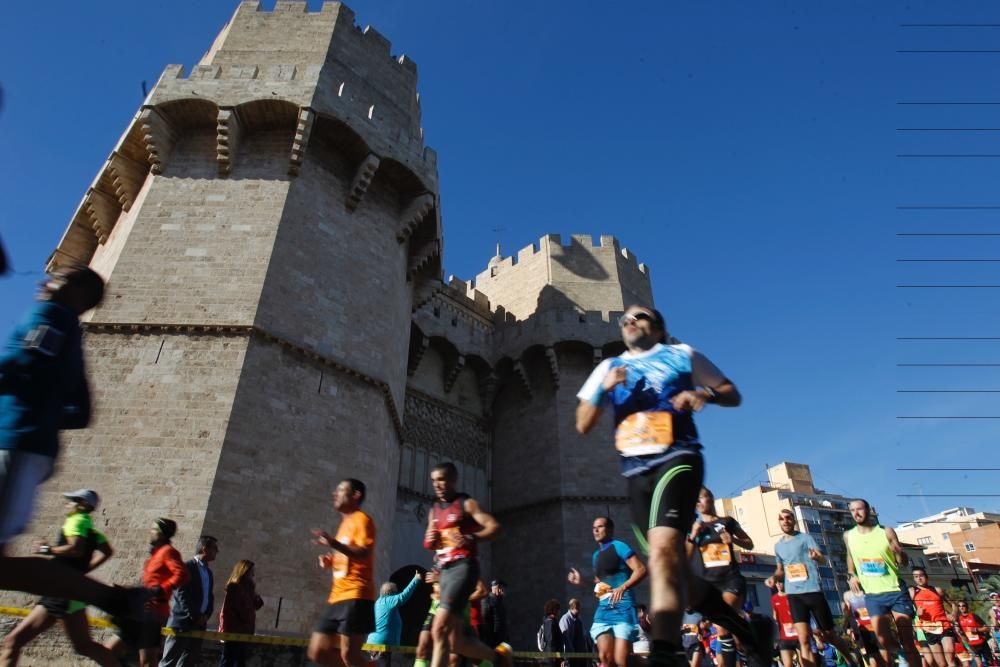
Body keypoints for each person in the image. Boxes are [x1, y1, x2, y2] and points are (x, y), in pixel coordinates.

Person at [575, 305, 771, 667]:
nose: (631, 322)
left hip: (678, 458)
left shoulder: (682, 355)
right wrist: (604, 389)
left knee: (664, 554)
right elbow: (583, 423)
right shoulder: (608, 368)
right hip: (636, 474)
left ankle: (666, 651)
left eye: (640, 317)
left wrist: (704, 395)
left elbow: (732, 392)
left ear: (659, 327)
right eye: (626, 320)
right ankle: (745, 631)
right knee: (674, 571)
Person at [0, 267, 150, 630]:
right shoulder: (73, 337)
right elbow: (80, 410)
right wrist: (46, 417)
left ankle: (114, 599)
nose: (45, 279)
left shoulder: (51, 315)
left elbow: (25, 362)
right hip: (28, 443)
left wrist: (30, 418)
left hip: (15, 441)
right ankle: (114, 599)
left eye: (58, 276)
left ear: (78, 291)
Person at [0, 488, 118, 667]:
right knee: (84, 646)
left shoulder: (76, 521)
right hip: (65, 593)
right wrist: (82, 571)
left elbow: (75, 548)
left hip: (61, 594)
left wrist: (48, 550)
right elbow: (107, 551)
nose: (68, 503)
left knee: (13, 641)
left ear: (82, 505)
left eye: (72, 500)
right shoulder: (91, 529)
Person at [423, 462, 510, 667]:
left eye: (441, 479)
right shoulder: (434, 510)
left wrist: (472, 537)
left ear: (453, 480)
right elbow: (430, 542)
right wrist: (430, 538)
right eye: (433, 480)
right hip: (444, 573)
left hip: (463, 567)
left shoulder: (466, 504)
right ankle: (500, 658)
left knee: (439, 630)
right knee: (456, 642)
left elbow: (495, 528)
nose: (437, 484)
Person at [766, 509, 855, 667]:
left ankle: (850, 660)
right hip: (794, 595)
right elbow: (780, 569)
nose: (785, 521)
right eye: (782, 519)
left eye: (788, 518)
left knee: (829, 635)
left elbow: (821, 558)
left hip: (812, 591)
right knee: (804, 639)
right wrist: (774, 578)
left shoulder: (806, 538)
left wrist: (817, 557)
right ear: (779, 522)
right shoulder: (778, 546)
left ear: (793, 521)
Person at [843, 499, 920, 667]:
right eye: (852, 510)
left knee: (907, 641)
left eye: (860, 509)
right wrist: (851, 574)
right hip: (873, 595)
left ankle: (908, 656)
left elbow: (903, 562)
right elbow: (850, 557)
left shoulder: (886, 531)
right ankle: (901, 655)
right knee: (883, 640)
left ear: (868, 510)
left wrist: (900, 553)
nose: (856, 513)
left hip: (895, 590)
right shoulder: (848, 536)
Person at [308, 478, 376, 667]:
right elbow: (346, 556)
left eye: (341, 490)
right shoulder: (344, 525)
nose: (334, 493)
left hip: (356, 594)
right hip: (336, 597)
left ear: (355, 495)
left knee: (350, 656)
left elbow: (364, 552)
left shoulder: (363, 520)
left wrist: (334, 544)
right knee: (317, 652)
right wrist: (329, 561)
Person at [107, 518, 190, 667]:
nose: (150, 532)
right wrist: (130, 590)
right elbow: (150, 584)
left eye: (154, 529)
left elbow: (182, 574)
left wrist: (162, 589)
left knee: (147, 662)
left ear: (163, 534)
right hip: (139, 610)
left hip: (151, 613)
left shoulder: (168, 552)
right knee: (112, 652)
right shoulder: (155, 555)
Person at [567, 516, 647, 667]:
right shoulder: (595, 556)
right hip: (604, 610)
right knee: (605, 659)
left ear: (610, 529)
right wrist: (581, 581)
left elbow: (641, 570)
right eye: (594, 527)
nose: (596, 530)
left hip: (624, 608)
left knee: (622, 661)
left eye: (600, 526)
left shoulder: (619, 546)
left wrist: (623, 587)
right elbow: (600, 586)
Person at [690, 488, 753, 667]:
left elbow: (750, 543)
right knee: (726, 632)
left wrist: (733, 541)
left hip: (730, 579)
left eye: (701, 498)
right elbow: (685, 555)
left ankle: (745, 645)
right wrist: (693, 536)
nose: (699, 503)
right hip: (710, 584)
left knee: (720, 624)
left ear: (710, 499)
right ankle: (746, 646)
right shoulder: (695, 527)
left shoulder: (727, 522)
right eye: (695, 501)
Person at [161, 535, 219, 666]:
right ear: (205, 549)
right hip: (182, 622)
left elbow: (209, 596)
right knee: (169, 661)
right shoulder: (186, 567)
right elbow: (182, 594)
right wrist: (195, 616)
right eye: (214, 548)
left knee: (187, 662)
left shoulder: (208, 572)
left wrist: (206, 616)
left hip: (199, 625)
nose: (217, 551)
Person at [367, 570, 422, 667]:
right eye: (396, 591)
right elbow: (403, 596)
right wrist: (416, 579)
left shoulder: (379, 603)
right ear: (391, 592)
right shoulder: (388, 600)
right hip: (381, 646)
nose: (397, 593)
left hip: (376, 644)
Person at [217, 559, 264, 667]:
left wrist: (255, 594)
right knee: (229, 660)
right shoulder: (235, 587)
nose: (253, 574)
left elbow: (257, 606)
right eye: (252, 571)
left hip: (245, 631)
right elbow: (237, 609)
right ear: (245, 571)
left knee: (240, 661)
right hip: (235, 630)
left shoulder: (249, 588)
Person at [909, 567, 958, 667]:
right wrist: (916, 614)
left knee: (950, 654)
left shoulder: (937, 590)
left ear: (926, 577)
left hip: (944, 625)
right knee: (941, 664)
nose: (919, 579)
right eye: (916, 577)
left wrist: (954, 614)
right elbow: (906, 610)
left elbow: (954, 604)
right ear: (914, 579)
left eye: (921, 576)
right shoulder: (912, 592)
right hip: (929, 629)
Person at [842, 589, 884, 667]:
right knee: (871, 660)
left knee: (881, 659)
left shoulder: (867, 609)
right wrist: (850, 632)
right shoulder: (849, 616)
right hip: (862, 641)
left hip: (875, 635)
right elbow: (845, 628)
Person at [772, 579, 801, 667]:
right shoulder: (774, 598)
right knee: (787, 665)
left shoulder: (791, 596)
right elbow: (774, 615)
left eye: (780, 582)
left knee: (802, 663)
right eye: (777, 583)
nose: (778, 585)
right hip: (784, 637)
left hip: (798, 635)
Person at [955, 600, 992, 667]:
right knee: (979, 664)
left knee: (990, 663)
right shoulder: (958, 620)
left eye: (963, 605)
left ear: (967, 607)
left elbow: (987, 628)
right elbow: (962, 634)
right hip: (972, 645)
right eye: (959, 606)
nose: (961, 607)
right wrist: (968, 644)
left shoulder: (974, 616)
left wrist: (976, 629)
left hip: (982, 643)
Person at [560, 598, 588, 667]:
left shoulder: (579, 619)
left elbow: (583, 636)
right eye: (579, 607)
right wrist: (565, 657)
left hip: (581, 655)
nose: (580, 609)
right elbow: (566, 639)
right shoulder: (565, 619)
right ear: (575, 607)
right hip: (571, 656)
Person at [482, 580, 508, 649]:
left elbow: (502, 621)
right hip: (491, 639)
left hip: (500, 639)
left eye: (502, 588)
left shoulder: (500, 602)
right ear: (492, 588)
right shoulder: (487, 600)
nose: (501, 590)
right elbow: (485, 618)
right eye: (498, 587)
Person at [538, 599, 564, 666]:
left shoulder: (552, 622)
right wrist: (553, 656)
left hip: (554, 657)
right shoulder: (550, 622)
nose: (559, 611)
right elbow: (550, 641)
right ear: (554, 610)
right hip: (551, 659)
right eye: (558, 609)